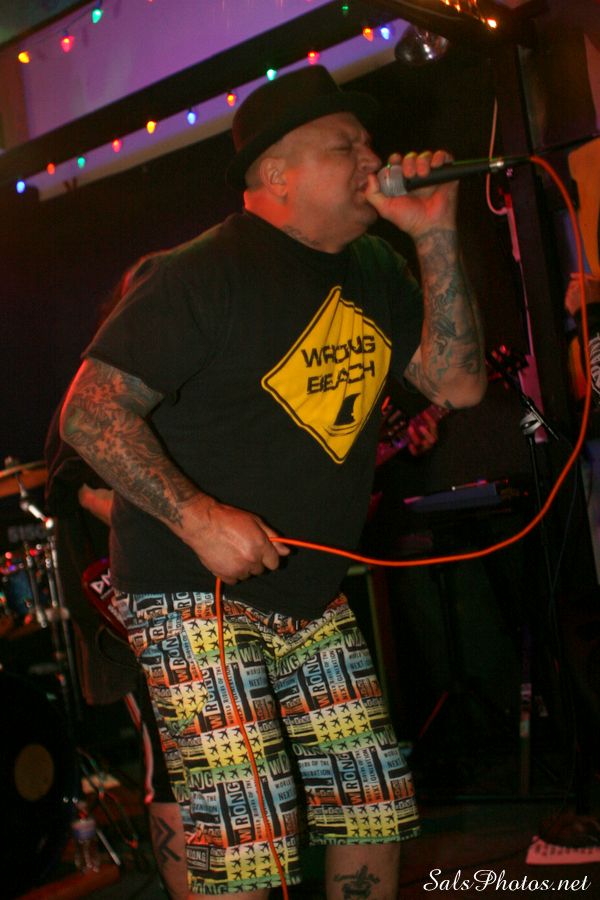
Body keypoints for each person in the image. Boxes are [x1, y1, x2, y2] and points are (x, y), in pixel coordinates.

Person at [59, 66, 486, 899]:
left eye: (369, 142)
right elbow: (89, 411)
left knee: (370, 804)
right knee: (248, 831)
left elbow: (459, 384)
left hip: (306, 586)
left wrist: (435, 233)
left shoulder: (373, 265)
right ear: (277, 175)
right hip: (193, 590)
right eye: (345, 145)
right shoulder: (202, 271)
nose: (373, 159)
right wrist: (198, 517)